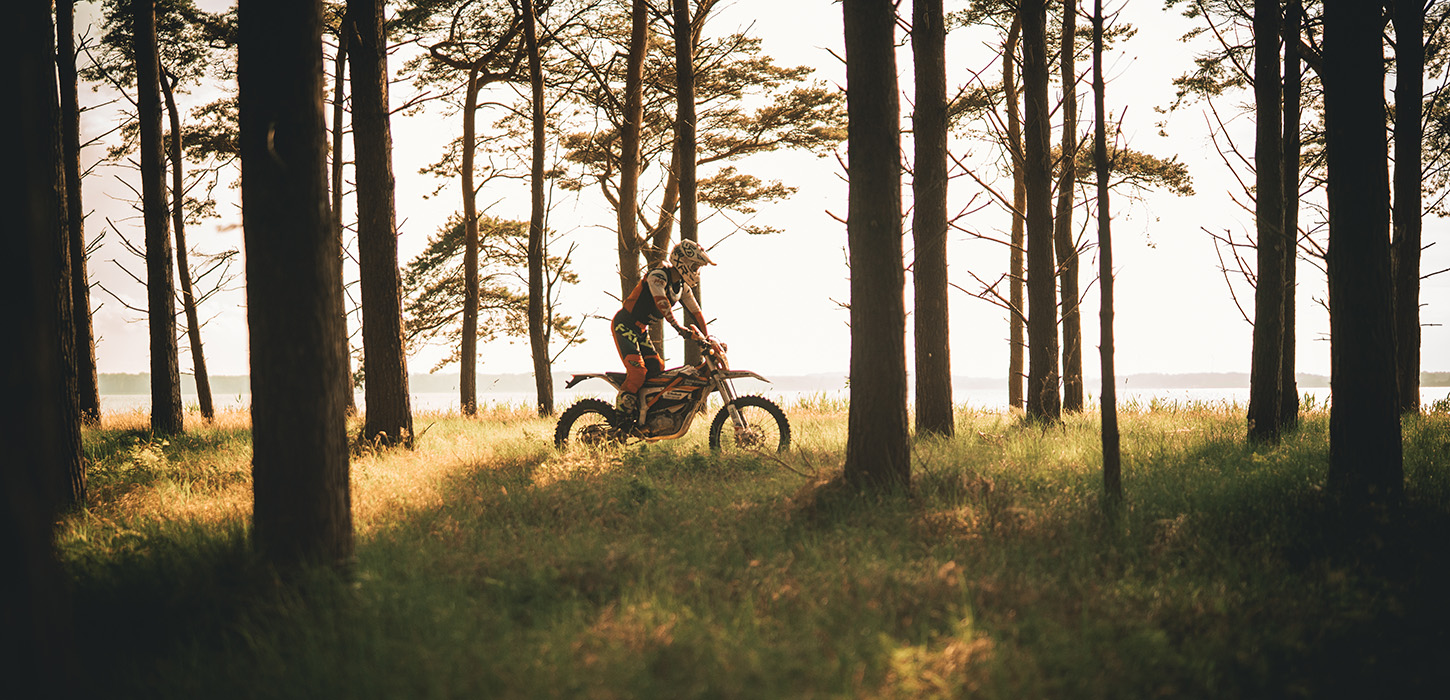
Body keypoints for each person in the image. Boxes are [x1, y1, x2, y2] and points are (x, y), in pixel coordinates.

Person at [612, 239, 714, 426]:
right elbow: (662, 303)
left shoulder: (682, 287)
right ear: (684, 262)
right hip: (624, 326)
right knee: (637, 372)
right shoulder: (658, 276)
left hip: (640, 331)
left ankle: (643, 414)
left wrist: (707, 339)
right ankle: (619, 418)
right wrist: (678, 328)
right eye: (695, 266)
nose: (697, 272)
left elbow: (696, 312)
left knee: (657, 369)